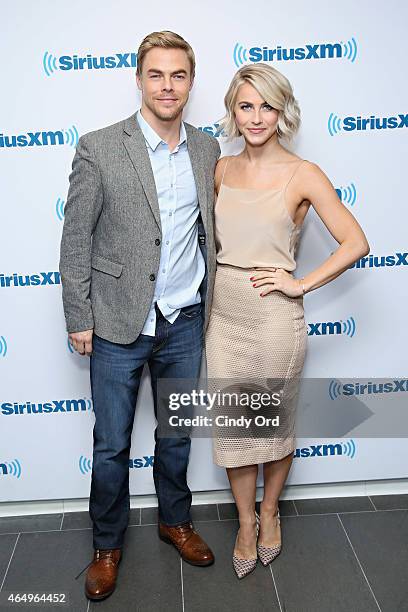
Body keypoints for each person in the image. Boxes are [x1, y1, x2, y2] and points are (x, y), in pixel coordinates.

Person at [59, 31, 220, 601]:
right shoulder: (100, 147)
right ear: (139, 78)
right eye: (157, 74)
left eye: (178, 75)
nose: (167, 86)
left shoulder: (206, 149)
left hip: (185, 320)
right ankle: (106, 545)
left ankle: (175, 521)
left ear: (191, 83)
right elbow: (75, 240)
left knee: (176, 436)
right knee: (111, 444)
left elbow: (209, 232)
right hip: (118, 323)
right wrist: (80, 316)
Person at [205, 63, 370, 579]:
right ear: (233, 110)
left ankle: (270, 511)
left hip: (275, 316)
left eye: (267, 107)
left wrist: (298, 283)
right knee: (235, 426)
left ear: (282, 112)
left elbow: (356, 242)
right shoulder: (221, 168)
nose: (257, 117)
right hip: (225, 312)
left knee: (273, 425)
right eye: (246, 105)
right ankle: (245, 522)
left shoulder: (304, 173)